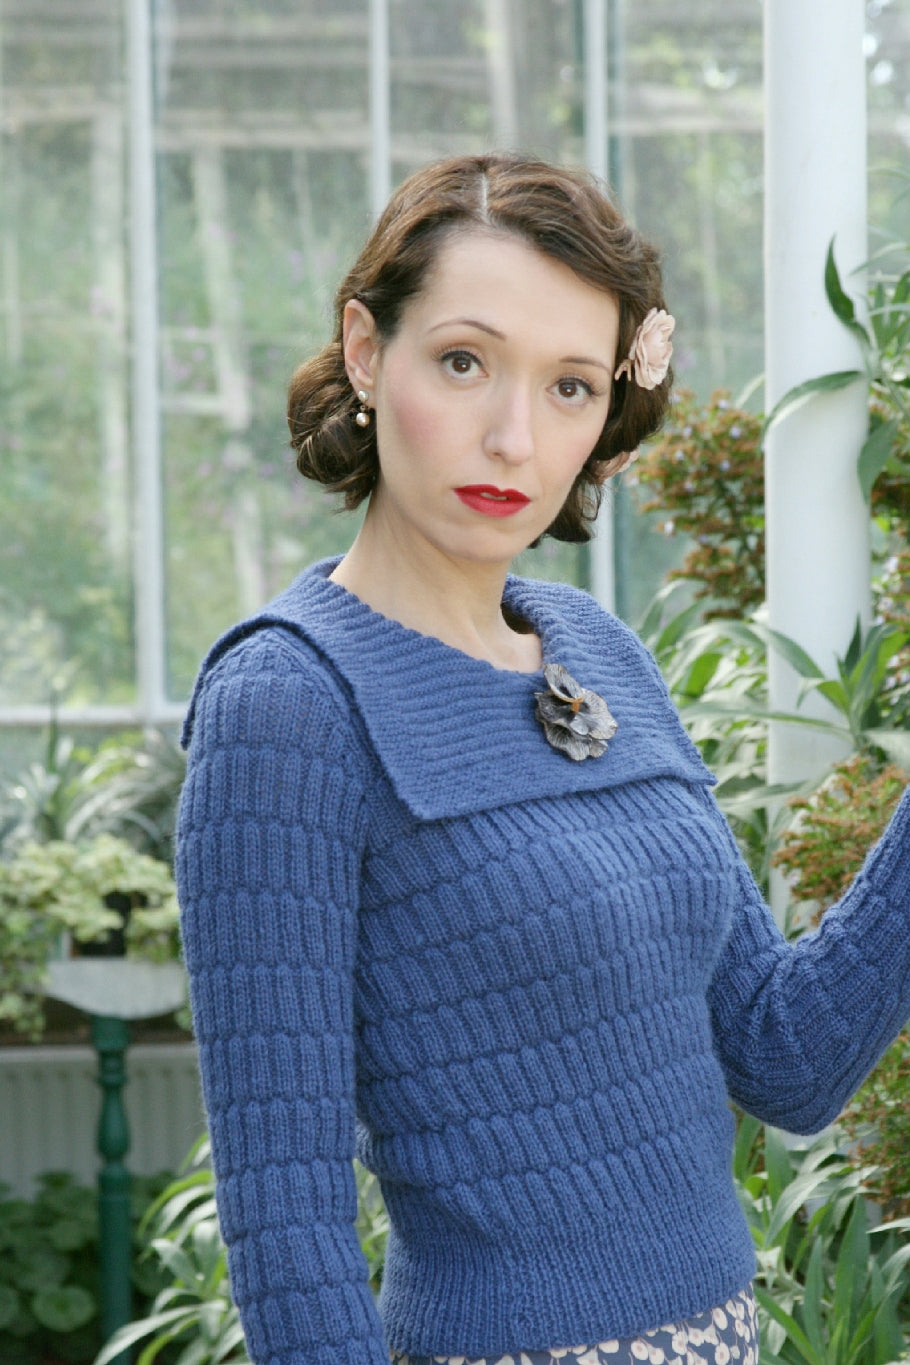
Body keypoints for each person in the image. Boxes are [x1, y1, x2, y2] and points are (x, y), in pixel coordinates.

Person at [175, 152, 910, 1365]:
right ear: (367, 351)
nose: (514, 435)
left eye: (570, 387)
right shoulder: (287, 703)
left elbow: (784, 1058)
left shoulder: (597, 647)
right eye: (464, 361)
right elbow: (287, 1231)